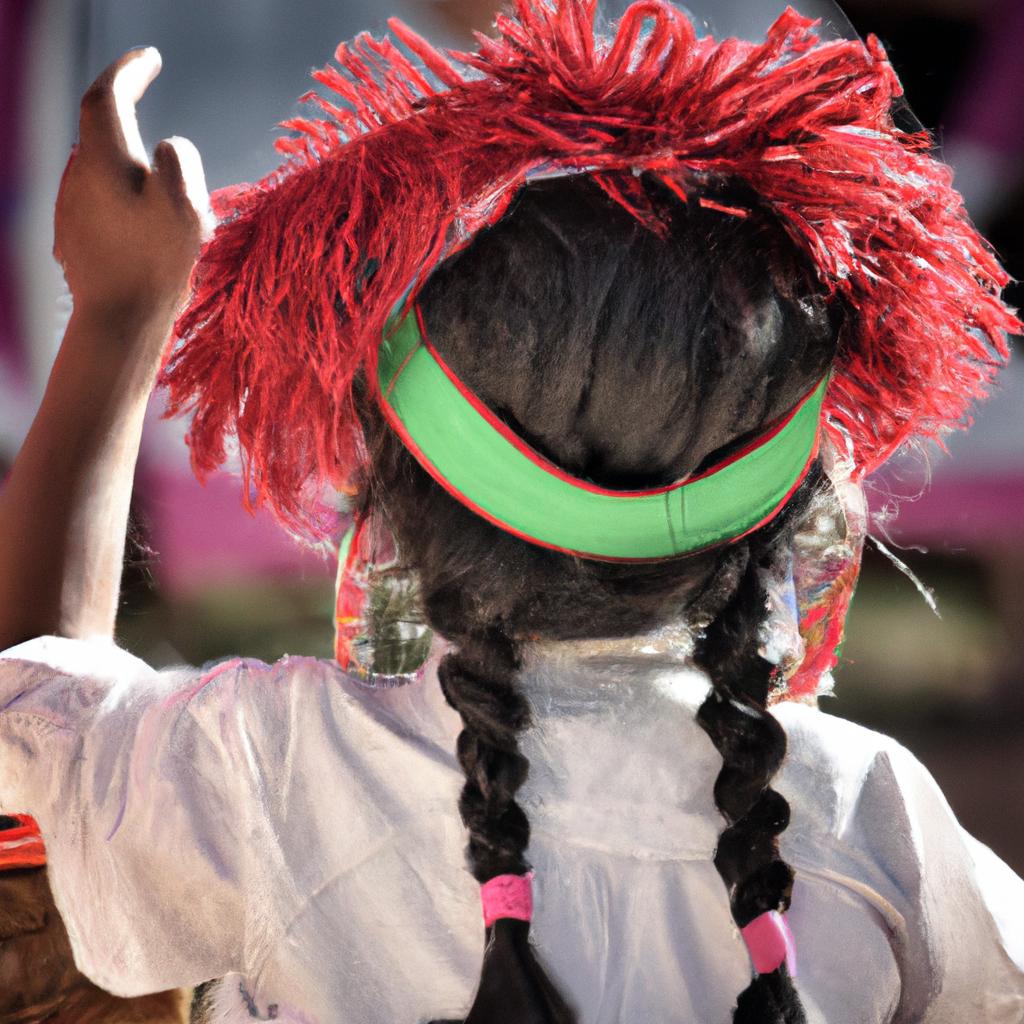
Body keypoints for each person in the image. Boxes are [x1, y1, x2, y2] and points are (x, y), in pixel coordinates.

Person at [0, 3, 1022, 1023]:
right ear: (798, 520)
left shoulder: (267, 770)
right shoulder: (870, 816)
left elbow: (28, 725)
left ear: (385, 499)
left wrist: (117, 318)